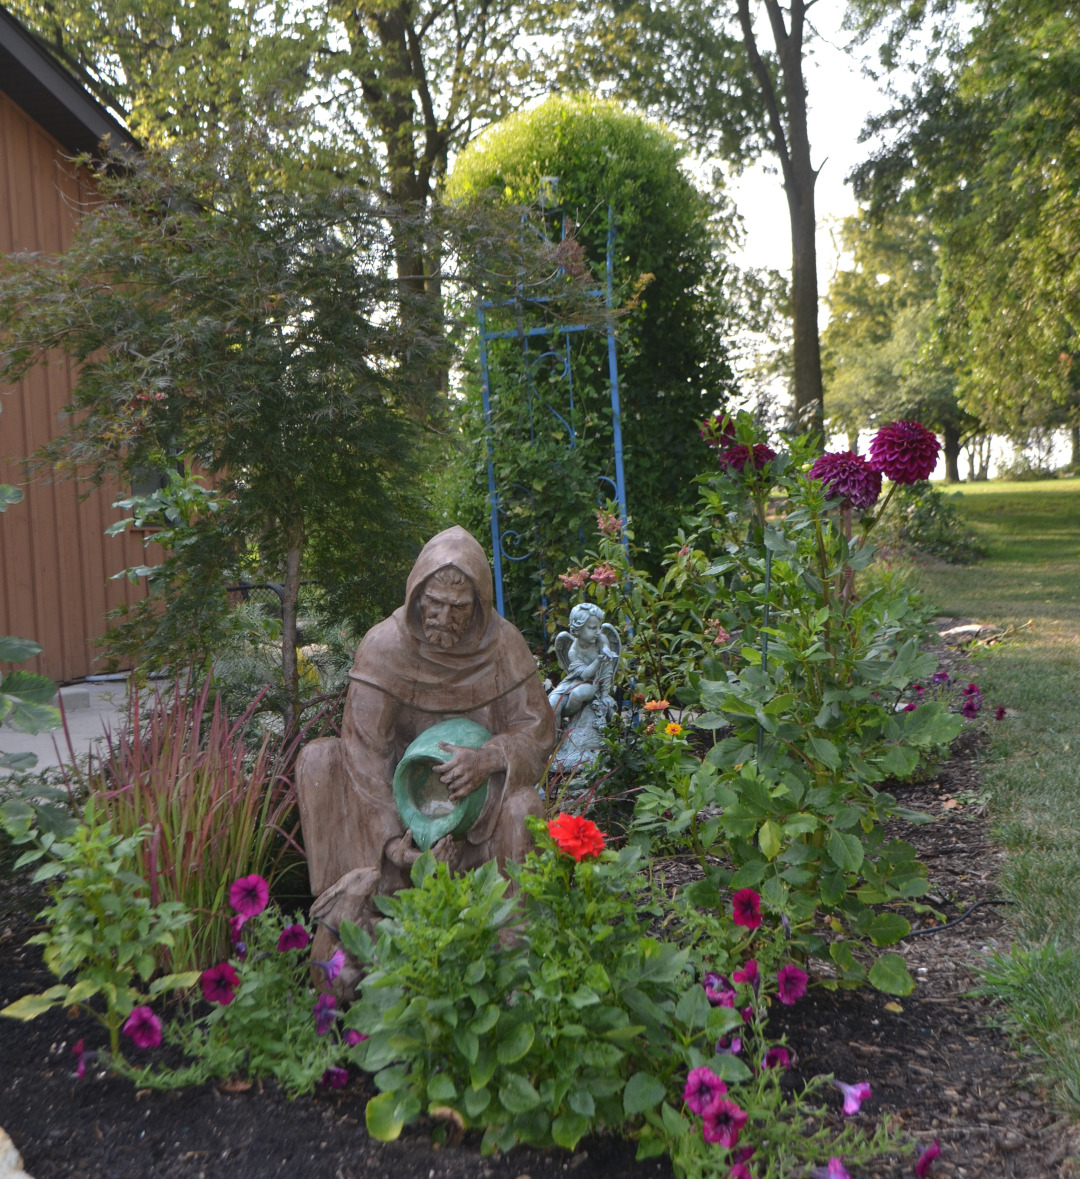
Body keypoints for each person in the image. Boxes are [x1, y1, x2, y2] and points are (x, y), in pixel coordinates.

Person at [295, 526, 554, 989]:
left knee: (526, 809)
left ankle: (513, 948)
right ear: (416, 596)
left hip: (480, 821)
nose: (444, 618)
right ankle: (354, 921)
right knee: (321, 760)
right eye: (434, 603)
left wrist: (490, 757)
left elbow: (536, 728)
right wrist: (397, 844)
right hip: (397, 819)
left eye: (459, 608)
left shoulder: (504, 645)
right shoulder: (385, 647)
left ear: (479, 606)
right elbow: (364, 754)